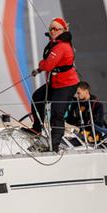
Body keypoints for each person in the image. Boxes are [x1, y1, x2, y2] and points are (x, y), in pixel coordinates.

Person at [30, 17, 80, 150]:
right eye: (50, 29)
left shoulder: (62, 46)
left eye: (55, 29)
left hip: (67, 84)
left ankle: (54, 142)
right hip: (55, 83)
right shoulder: (55, 43)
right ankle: (37, 128)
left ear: (62, 30)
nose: (52, 31)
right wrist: (39, 69)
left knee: (57, 112)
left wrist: (42, 65)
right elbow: (48, 64)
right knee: (37, 98)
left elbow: (48, 64)